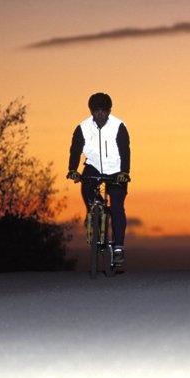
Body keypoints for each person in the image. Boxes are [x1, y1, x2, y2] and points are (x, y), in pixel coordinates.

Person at [66, 92, 131, 265]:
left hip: (116, 170)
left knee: (117, 206)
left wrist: (124, 172)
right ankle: (93, 213)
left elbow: (125, 150)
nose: (100, 114)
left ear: (109, 111)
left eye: (104, 110)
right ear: (91, 111)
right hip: (93, 166)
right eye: (96, 111)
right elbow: (75, 149)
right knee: (86, 187)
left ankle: (118, 248)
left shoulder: (119, 126)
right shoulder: (83, 127)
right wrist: (72, 169)